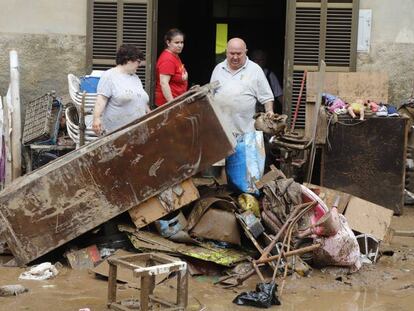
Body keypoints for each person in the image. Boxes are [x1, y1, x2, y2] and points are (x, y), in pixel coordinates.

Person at [210, 38, 275, 135]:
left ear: (245, 52)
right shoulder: (218, 68)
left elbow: (267, 97)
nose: (235, 57)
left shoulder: (255, 70)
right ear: (226, 52)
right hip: (220, 133)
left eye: (239, 53)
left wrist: (269, 111)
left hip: (247, 133)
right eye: (232, 53)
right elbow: (211, 95)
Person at [92, 44, 150, 135]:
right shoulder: (109, 76)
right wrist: (96, 118)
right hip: (116, 134)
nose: (140, 65)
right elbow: (101, 100)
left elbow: (140, 100)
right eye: (138, 61)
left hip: (137, 132)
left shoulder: (136, 78)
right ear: (128, 60)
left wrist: (150, 115)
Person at [155, 28, 188, 107]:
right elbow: (164, 83)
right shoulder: (167, 59)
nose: (180, 45)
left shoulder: (175, 55)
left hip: (176, 101)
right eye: (176, 42)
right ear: (168, 42)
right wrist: (172, 105)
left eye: (182, 42)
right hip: (168, 105)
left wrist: (184, 77)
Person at [251, 49, 283, 114]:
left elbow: (279, 95)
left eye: (261, 60)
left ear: (265, 61)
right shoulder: (246, 74)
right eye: (255, 60)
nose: (258, 62)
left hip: (266, 113)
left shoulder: (270, 75)